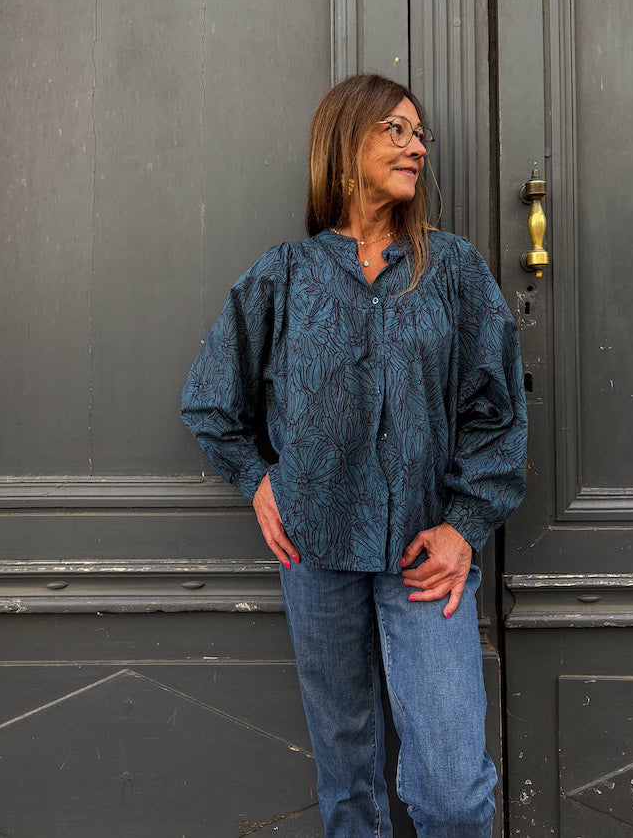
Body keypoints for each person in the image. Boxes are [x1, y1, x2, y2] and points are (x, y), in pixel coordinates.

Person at [181, 73, 527, 837]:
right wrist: (258, 481)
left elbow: (497, 411)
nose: (416, 145)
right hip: (316, 547)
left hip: (423, 553)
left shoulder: (453, 271)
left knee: (452, 797)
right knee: (349, 786)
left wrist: (464, 526)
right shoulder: (286, 274)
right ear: (344, 146)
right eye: (394, 131)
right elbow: (210, 398)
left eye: (419, 132)